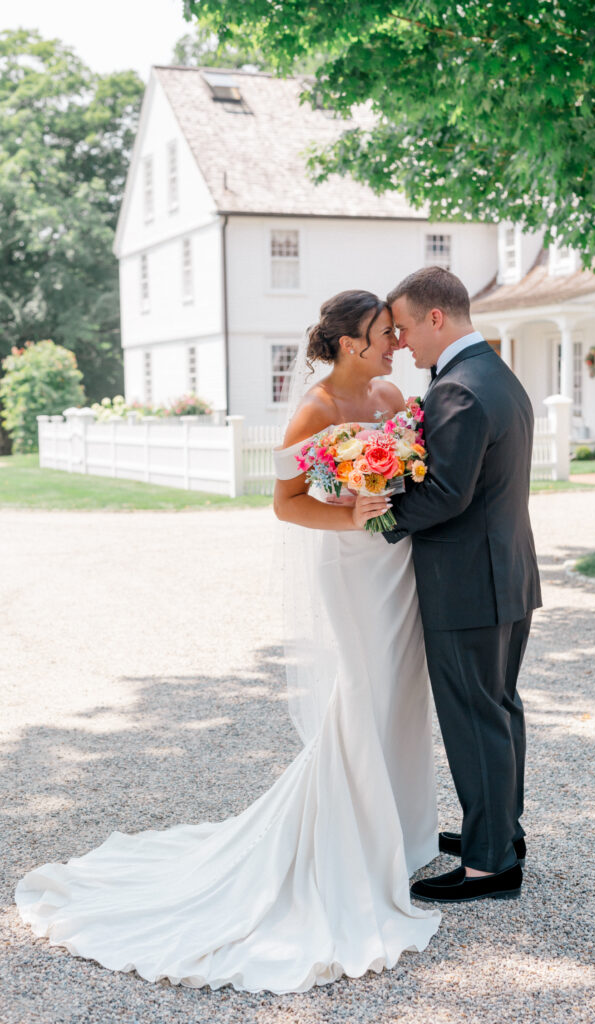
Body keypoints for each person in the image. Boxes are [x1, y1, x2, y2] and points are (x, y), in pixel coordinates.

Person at [14, 289, 441, 994]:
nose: (394, 342)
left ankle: (401, 835)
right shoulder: (315, 411)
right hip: (351, 563)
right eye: (380, 335)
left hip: (396, 565)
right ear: (344, 344)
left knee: (402, 691)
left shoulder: (393, 394)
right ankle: (350, 842)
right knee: (362, 689)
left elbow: (409, 469)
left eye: (394, 333)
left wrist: (390, 493)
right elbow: (287, 502)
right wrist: (355, 516)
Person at [383, 266, 542, 904]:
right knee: (499, 708)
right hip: (506, 571)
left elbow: (448, 493)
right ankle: (500, 831)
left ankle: (489, 865)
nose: (400, 343)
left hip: (466, 582)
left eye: (403, 328)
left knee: (475, 716)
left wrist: (379, 516)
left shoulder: (457, 390)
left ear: (436, 318)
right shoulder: (497, 376)